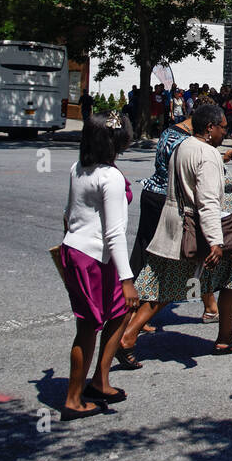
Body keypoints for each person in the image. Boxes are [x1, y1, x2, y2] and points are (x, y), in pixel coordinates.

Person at [119, 105, 232, 359]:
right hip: (208, 231)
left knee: (168, 286)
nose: (226, 132)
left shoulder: (184, 146)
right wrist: (215, 241)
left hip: (181, 227)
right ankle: (224, 338)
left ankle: (129, 334)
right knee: (231, 277)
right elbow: (208, 200)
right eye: (223, 127)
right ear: (210, 128)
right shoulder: (207, 154)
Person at [58, 111, 138, 419]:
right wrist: (127, 279)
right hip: (91, 257)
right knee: (88, 326)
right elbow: (114, 233)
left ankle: (100, 380)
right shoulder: (111, 177)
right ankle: (73, 399)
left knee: (118, 313)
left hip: (84, 253)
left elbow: (67, 213)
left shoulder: (79, 167)